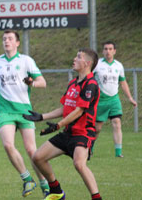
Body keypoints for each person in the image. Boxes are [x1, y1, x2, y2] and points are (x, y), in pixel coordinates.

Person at [23, 48, 102, 200]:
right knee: (38, 157)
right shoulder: (73, 82)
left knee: (79, 164)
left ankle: (96, 197)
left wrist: (58, 125)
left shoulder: (90, 84)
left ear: (87, 63)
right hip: (68, 133)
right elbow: (64, 108)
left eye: (78, 57)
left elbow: (79, 111)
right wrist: (41, 117)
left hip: (83, 133)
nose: (74, 59)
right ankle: (56, 191)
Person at [0, 30, 49, 197]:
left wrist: (32, 83)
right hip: (5, 110)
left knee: (32, 151)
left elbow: (42, 82)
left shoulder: (26, 61)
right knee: (8, 145)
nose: (6, 41)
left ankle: (45, 184)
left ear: (17, 43)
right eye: (4, 39)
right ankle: (27, 179)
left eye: (10, 39)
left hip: (24, 110)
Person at [93, 41, 137, 157]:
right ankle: (89, 148)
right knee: (97, 129)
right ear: (103, 51)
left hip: (114, 100)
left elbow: (122, 82)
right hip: (100, 100)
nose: (108, 51)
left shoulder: (119, 65)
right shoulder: (97, 64)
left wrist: (130, 98)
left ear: (114, 51)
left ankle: (118, 153)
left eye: (110, 49)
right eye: (106, 49)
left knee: (117, 123)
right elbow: (89, 79)